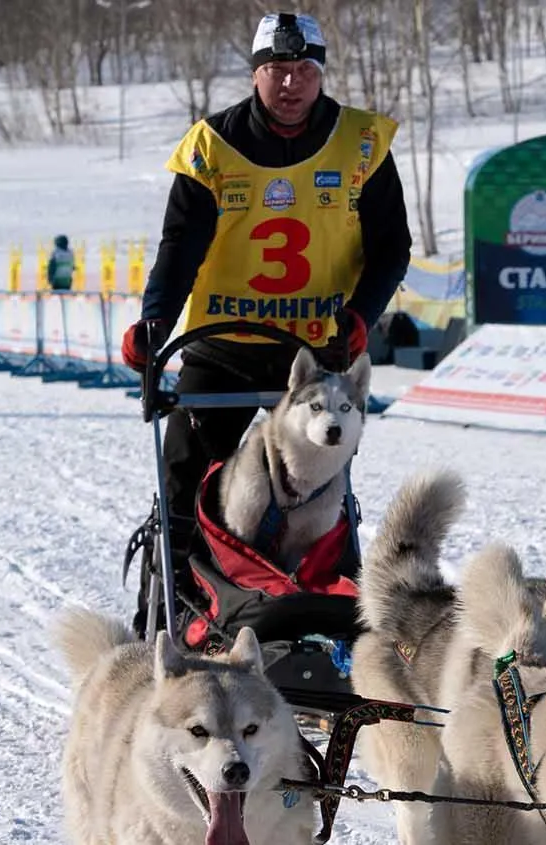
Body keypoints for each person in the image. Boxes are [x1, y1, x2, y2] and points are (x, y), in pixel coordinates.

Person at [120, 11, 411, 634]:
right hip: (221, 346)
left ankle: (329, 625)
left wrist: (361, 316)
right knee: (185, 485)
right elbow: (179, 248)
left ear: (320, 73)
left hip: (316, 354)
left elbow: (392, 247)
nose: (290, 83)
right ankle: (164, 622)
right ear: (255, 74)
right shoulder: (212, 147)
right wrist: (154, 325)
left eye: (304, 70)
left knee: (319, 495)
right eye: (277, 69)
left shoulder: (362, 144)